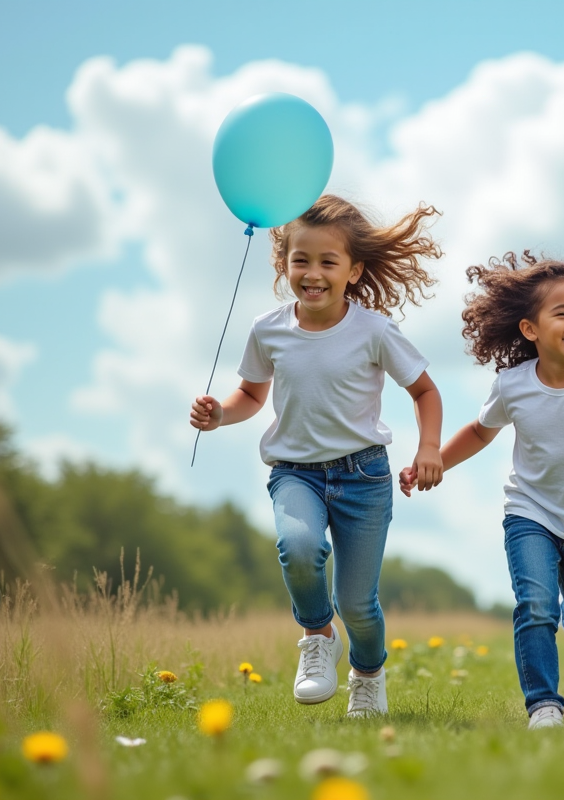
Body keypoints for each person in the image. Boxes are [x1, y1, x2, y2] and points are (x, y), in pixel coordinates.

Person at [189, 195, 444, 717]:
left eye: (329, 262)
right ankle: (316, 634)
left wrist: (429, 448)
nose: (313, 273)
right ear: (284, 264)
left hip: (364, 475)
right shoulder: (268, 329)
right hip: (295, 474)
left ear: (354, 272)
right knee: (299, 548)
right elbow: (253, 397)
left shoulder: (373, 330)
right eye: (300, 259)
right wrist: (220, 415)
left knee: (359, 605)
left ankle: (368, 674)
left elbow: (425, 392)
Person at [400, 252, 564, 729]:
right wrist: (432, 458)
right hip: (530, 514)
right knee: (535, 605)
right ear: (530, 330)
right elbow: (480, 432)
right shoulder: (513, 384)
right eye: (563, 313)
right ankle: (544, 706)